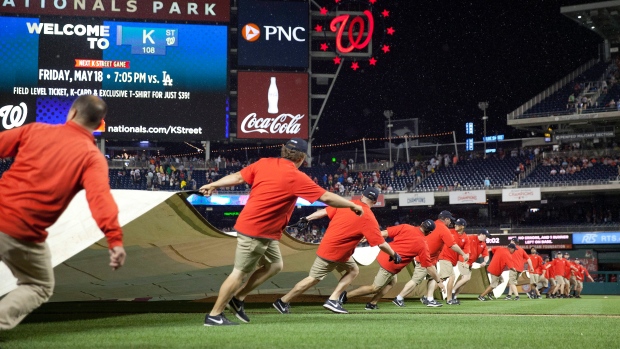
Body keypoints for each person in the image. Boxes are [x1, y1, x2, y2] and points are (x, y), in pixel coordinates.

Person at [200, 138, 364, 326]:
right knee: (239, 273)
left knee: (275, 265)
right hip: (257, 230)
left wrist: (214, 184)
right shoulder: (296, 176)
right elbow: (326, 197)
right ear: (302, 158)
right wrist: (352, 205)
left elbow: (237, 177)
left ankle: (238, 298)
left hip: (264, 231)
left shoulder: (264, 163)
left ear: (283, 150)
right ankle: (214, 315)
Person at [0, 95, 126, 330]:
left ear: (73, 113)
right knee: (38, 286)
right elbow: (100, 199)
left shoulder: (35, 130)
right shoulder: (92, 158)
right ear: (100, 124)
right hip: (23, 235)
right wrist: (114, 239)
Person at [272, 187, 400, 315]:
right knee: (313, 279)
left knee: (353, 270)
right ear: (375, 202)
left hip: (335, 250)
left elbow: (324, 212)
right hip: (334, 252)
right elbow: (381, 244)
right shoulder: (368, 216)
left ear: (362, 196)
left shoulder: (347, 205)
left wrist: (307, 218)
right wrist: (394, 254)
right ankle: (283, 301)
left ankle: (334, 299)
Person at [339, 219, 443, 310]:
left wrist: (369, 237)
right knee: (375, 288)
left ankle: (372, 303)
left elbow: (385, 233)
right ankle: (345, 296)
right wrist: (439, 281)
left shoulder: (406, 227)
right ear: (429, 232)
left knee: (392, 282)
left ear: (421, 224)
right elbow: (429, 267)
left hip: (385, 255)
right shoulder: (423, 245)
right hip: (390, 265)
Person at [393, 210, 469, 308]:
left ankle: (429, 299)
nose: (450, 222)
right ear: (446, 219)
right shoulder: (443, 228)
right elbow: (452, 245)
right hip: (425, 258)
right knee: (416, 280)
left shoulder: (433, 225)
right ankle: (399, 298)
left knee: (433, 278)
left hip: (429, 258)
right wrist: (463, 254)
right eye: (450, 220)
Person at [438, 218, 470, 305]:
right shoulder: (449, 231)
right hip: (444, 257)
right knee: (452, 277)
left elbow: (467, 253)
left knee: (440, 279)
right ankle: (449, 300)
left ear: (462, 226)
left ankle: (426, 296)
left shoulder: (465, 238)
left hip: (452, 260)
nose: (455, 225)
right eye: (455, 224)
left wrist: (464, 261)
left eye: (457, 224)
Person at [452, 229, 490, 302]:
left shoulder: (483, 244)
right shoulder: (470, 238)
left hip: (470, 263)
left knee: (465, 280)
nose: (487, 238)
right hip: (463, 261)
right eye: (486, 236)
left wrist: (485, 262)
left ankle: (454, 296)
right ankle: (452, 291)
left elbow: (486, 255)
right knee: (466, 278)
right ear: (481, 234)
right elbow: (460, 244)